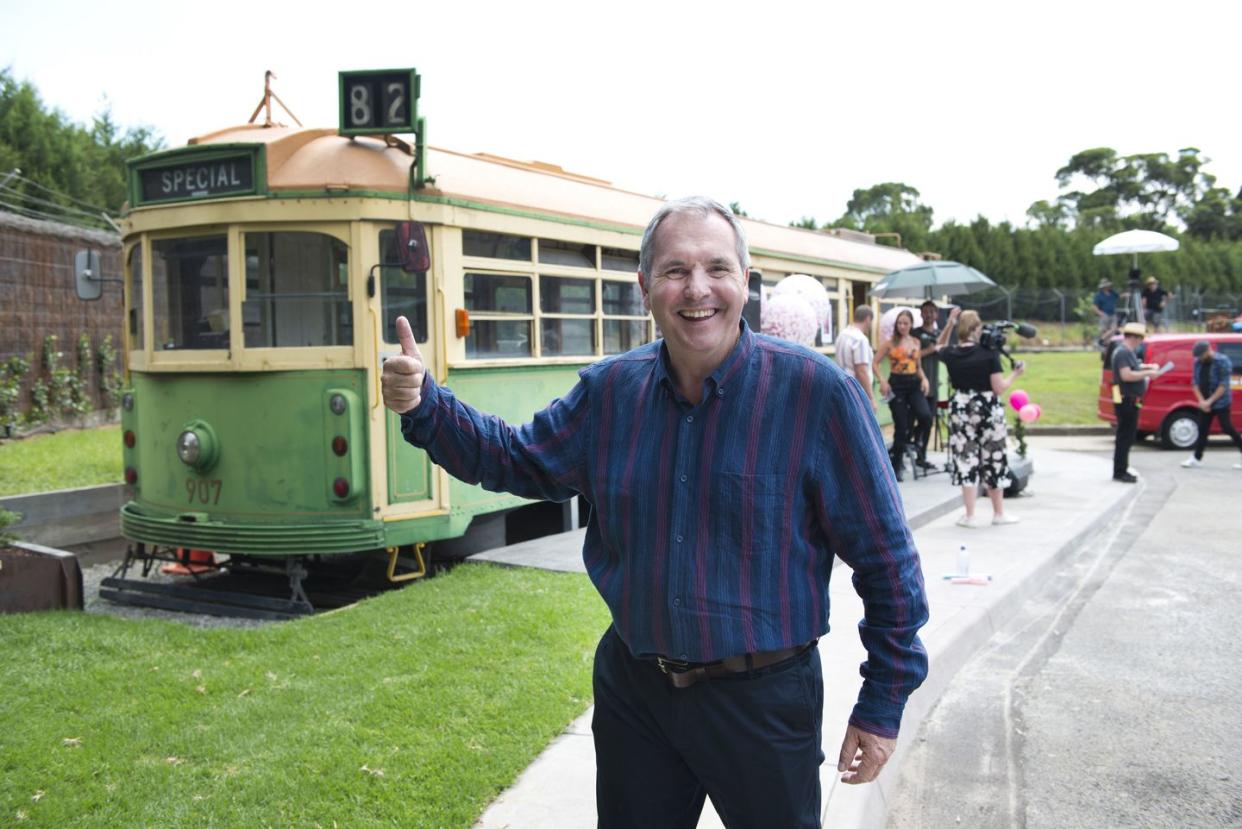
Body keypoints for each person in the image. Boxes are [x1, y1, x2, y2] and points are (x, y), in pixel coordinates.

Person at [382, 197, 929, 828]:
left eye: (717, 268)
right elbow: (517, 460)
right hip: (635, 695)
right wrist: (427, 404)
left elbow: (887, 561)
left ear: (744, 282)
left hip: (763, 701)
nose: (697, 289)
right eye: (674, 271)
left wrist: (882, 702)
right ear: (646, 287)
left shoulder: (817, 395)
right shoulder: (610, 392)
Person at [935, 308, 1025, 527]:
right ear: (975, 329)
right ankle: (998, 513)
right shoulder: (989, 354)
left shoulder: (951, 354)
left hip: (962, 408)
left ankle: (970, 515)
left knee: (966, 458)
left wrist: (949, 324)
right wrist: (1015, 373)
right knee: (993, 457)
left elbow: (938, 346)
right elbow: (998, 388)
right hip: (987, 409)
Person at [872, 309, 931, 481]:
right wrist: (883, 381)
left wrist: (924, 379)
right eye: (900, 323)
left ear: (911, 324)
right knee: (901, 426)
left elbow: (918, 366)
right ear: (896, 325)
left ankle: (914, 443)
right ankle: (896, 466)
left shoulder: (915, 342)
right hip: (896, 384)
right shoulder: (890, 343)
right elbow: (875, 363)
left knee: (926, 416)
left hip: (913, 383)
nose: (903, 326)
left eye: (906, 323)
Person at [1110, 322, 1161, 483]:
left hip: (1127, 398)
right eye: (1140, 338)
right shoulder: (1123, 352)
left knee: (1127, 435)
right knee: (1125, 436)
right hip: (1126, 399)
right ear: (1133, 337)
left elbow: (1134, 367)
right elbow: (1126, 375)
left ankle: (1122, 468)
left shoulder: (1126, 352)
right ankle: (1120, 471)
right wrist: (1148, 373)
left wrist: (1146, 367)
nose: (1141, 342)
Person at [1181, 340, 1242, 469]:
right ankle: (1196, 458)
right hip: (1204, 401)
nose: (1200, 358)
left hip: (1220, 401)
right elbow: (1195, 382)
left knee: (1227, 427)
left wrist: (1210, 401)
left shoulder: (1222, 361)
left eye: (1202, 355)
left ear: (1208, 350)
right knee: (1202, 429)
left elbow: (1223, 385)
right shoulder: (1198, 362)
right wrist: (1202, 401)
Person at [915, 300, 944, 464]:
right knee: (922, 416)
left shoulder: (939, 334)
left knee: (929, 420)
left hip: (934, 383)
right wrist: (929, 350)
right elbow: (911, 355)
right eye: (926, 311)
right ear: (921, 313)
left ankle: (922, 453)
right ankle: (914, 443)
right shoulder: (915, 333)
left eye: (932, 312)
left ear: (937, 315)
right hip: (918, 383)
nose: (929, 315)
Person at [834, 304, 878, 411]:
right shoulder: (860, 339)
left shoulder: (842, 334)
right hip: (857, 390)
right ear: (868, 319)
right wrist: (871, 398)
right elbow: (861, 371)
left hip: (843, 386)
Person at [1093, 278, 1120, 344]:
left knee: (1114, 328)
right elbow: (1094, 307)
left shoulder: (1112, 293)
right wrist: (1100, 313)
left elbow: (1119, 297)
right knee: (1103, 330)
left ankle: (1101, 339)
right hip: (1104, 315)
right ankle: (1105, 343)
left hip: (1113, 314)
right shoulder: (1099, 295)